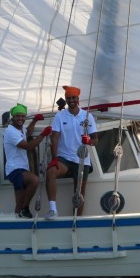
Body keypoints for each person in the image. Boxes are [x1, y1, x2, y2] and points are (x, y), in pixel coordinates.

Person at [45, 85, 98, 220]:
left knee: (79, 193)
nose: (71, 100)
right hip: (64, 158)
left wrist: (88, 141)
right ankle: (53, 210)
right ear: (66, 99)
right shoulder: (60, 116)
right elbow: (55, 137)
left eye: (73, 98)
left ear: (78, 98)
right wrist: (54, 159)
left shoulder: (87, 116)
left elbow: (95, 139)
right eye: (68, 98)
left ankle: (76, 219)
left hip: (82, 159)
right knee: (51, 172)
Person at [3, 103, 52, 218]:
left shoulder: (20, 129)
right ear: (12, 118)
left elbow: (28, 132)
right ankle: (25, 209)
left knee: (19, 203)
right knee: (34, 180)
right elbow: (29, 146)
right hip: (15, 170)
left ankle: (18, 220)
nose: (20, 119)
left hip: (21, 169)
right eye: (17, 116)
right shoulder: (11, 132)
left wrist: (34, 120)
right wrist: (43, 135)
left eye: (22, 116)